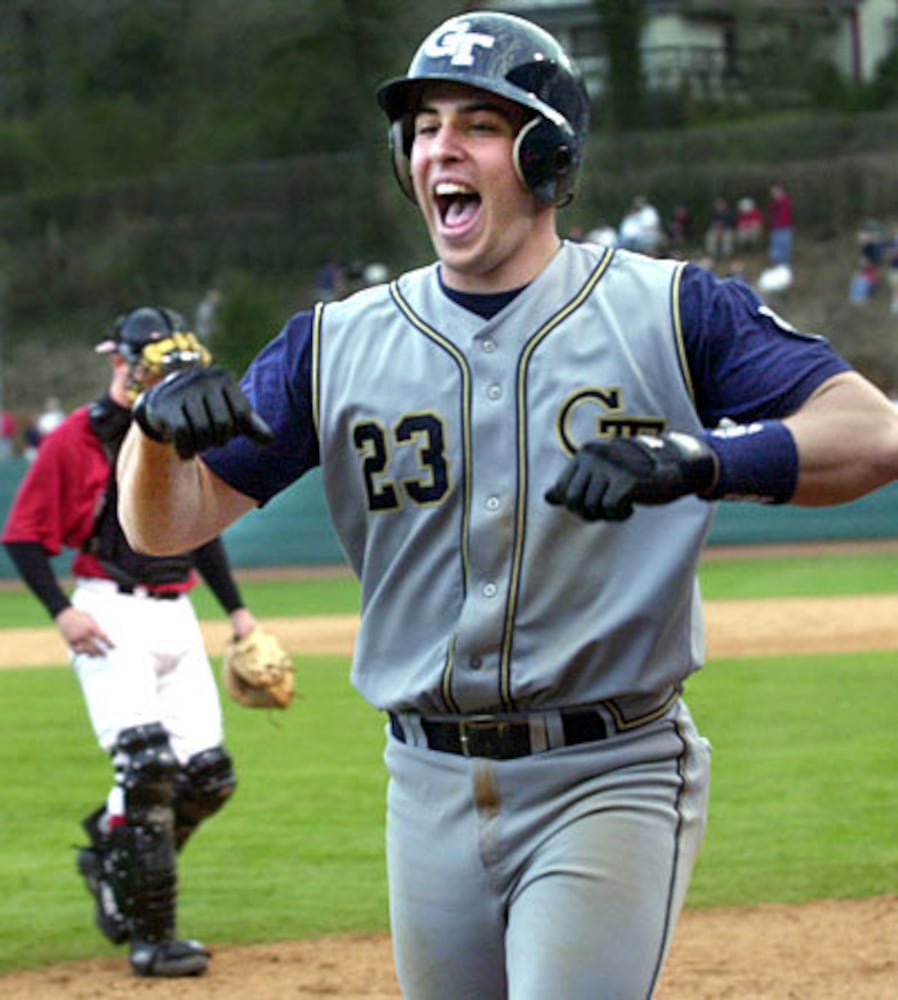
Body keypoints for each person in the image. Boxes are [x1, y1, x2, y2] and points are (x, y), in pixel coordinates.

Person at [116, 12, 898, 1000]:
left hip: (606, 767)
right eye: (425, 124)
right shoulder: (336, 341)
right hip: (424, 780)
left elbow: (870, 432)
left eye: (480, 123)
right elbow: (163, 525)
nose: (442, 145)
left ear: (547, 155)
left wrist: (702, 461)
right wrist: (155, 431)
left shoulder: (668, 306)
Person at [2, 306, 259, 979]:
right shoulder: (76, 439)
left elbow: (199, 531)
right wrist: (60, 612)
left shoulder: (180, 436)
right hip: (108, 613)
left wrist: (238, 615)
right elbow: (24, 536)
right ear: (121, 363)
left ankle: (109, 856)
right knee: (146, 771)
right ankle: (152, 938)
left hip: (175, 614)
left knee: (209, 777)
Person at [767, 183, 794, 266]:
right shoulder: (773, 203)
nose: (774, 194)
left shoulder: (786, 201)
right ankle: (776, 265)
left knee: (785, 247)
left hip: (785, 228)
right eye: (772, 193)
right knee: (775, 248)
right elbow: (771, 210)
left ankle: (784, 266)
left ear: (781, 191)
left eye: (776, 192)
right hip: (775, 228)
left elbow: (786, 213)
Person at [704, 195, 736, 261]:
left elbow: (732, 224)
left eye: (720, 203)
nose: (719, 205)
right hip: (716, 230)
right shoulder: (713, 214)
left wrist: (722, 229)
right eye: (717, 204)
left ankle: (727, 256)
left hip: (727, 230)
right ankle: (712, 255)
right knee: (710, 236)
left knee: (727, 237)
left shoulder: (729, 213)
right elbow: (711, 224)